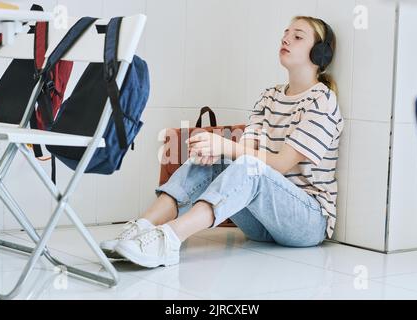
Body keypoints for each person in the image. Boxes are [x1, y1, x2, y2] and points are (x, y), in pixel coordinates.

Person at [100, 16, 344, 268]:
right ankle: (143, 227)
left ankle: (169, 239)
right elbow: (247, 152)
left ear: (320, 53)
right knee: (222, 159)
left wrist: (224, 145)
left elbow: (281, 165)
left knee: (245, 163)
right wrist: (218, 154)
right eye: (285, 33)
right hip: (262, 225)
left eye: (297, 36)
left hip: (307, 222)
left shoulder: (320, 101)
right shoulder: (269, 97)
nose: (285, 39)